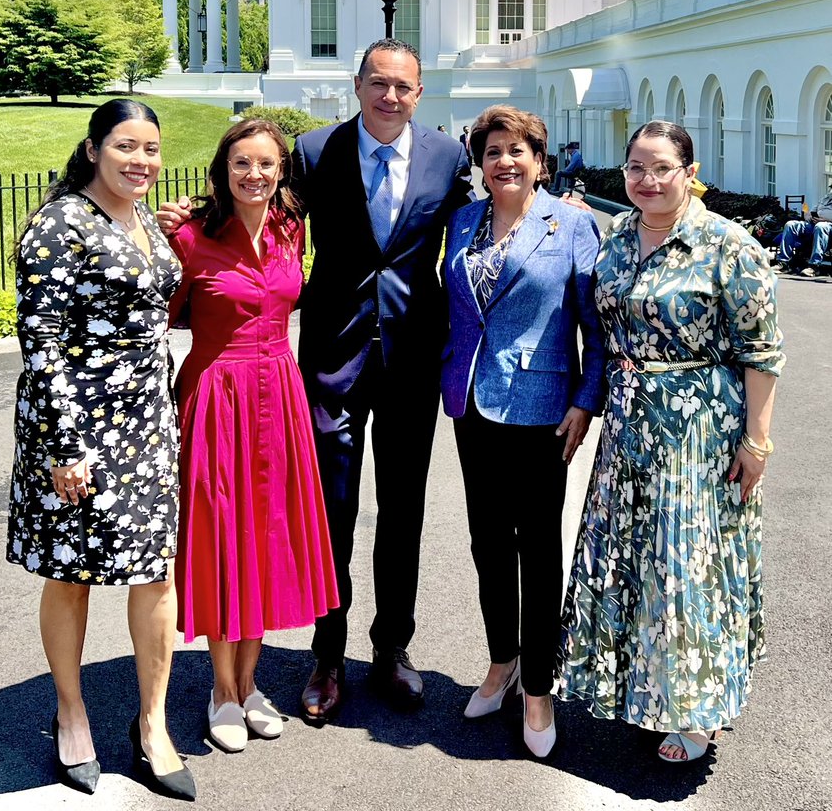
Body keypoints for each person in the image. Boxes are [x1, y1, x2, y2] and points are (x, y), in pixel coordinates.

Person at [558, 120, 784, 764]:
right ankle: (644, 689)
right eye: (636, 168)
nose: (647, 180)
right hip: (629, 425)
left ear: (689, 171)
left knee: (686, 564)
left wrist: (757, 442)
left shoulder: (727, 244)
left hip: (699, 430)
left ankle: (695, 711)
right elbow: (603, 334)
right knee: (632, 558)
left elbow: (762, 351)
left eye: (662, 168)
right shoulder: (618, 240)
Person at [7, 99, 196, 801]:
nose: (141, 160)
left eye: (150, 148)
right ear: (93, 150)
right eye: (125, 146)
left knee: (155, 572)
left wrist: (168, 227)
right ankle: (72, 712)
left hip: (146, 421)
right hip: (79, 428)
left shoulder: (142, 217)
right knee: (73, 573)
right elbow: (42, 343)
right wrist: (64, 448)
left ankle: (151, 725)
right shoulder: (58, 225)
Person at [292, 38, 473, 722]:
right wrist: (193, 219)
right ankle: (326, 653)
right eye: (377, 82)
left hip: (410, 360)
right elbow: (265, 217)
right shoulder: (313, 152)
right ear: (357, 84)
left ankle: (392, 649)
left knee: (402, 512)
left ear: (418, 93)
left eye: (402, 86)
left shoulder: (447, 157)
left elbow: (481, 224)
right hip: (331, 361)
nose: (388, 96)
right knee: (330, 511)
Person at [167, 121, 339, 753]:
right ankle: (222, 690)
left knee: (266, 539)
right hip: (216, 398)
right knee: (222, 537)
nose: (255, 174)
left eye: (267, 164)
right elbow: (155, 314)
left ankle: (250, 683)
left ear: (280, 172)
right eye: (242, 162)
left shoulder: (292, 231)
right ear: (222, 168)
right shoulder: (189, 236)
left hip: (279, 396)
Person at [441, 106, 605, 759]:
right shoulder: (460, 221)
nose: (503, 162)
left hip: (543, 410)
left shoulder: (570, 224)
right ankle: (500, 662)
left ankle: (537, 687)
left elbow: (597, 324)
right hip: (471, 404)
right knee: (487, 543)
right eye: (491, 152)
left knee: (537, 550)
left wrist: (585, 401)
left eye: (517, 151)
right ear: (478, 164)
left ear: (540, 160)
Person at [771, 183, 832, 276]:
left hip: (828, 226)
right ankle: (784, 263)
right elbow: (813, 210)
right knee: (790, 224)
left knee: (821, 226)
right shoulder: (826, 198)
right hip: (814, 223)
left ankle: (815, 266)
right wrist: (809, 215)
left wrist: (826, 220)